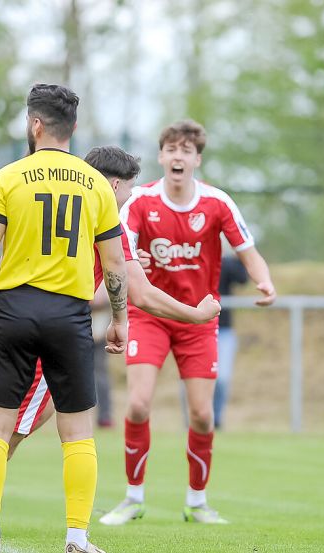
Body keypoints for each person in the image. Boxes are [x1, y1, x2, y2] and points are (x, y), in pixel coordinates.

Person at [0, 146, 220, 541]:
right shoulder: (102, 211)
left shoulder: (55, 201)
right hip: (52, 344)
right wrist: (196, 313)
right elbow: (140, 292)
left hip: (21, 324)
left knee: (0, 440)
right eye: (128, 190)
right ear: (114, 184)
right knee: (5, 443)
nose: (128, 199)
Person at [0, 84, 129, 553]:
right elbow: (114, 265)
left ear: (35, 124)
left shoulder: (9, 177)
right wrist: (120, 319)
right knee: (76, 433)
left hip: (14, 309)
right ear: (72, 127)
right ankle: (77, 536)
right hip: (70, 314)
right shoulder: (96, 183)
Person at [99, 119, 275, 526]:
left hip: (199, 321)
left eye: (186, 150)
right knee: (139, 403)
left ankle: (197, 502)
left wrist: (264, 280)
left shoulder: (217, 203)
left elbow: (247, 250)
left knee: (201, 415)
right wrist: (134, 261)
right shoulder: (139, 201)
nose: (178, 156)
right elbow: (123, 249)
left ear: (197, 159)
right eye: (171, 149)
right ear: (161, 157)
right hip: (151, 316)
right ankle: (133, 497)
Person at [213, 252, 247, 429]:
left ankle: (216, 420)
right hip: (193, 328)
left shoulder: (224, 263)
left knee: (222, 378)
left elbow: (242, 278)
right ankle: (193, 420)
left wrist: (236, 254)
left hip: (223, 330)